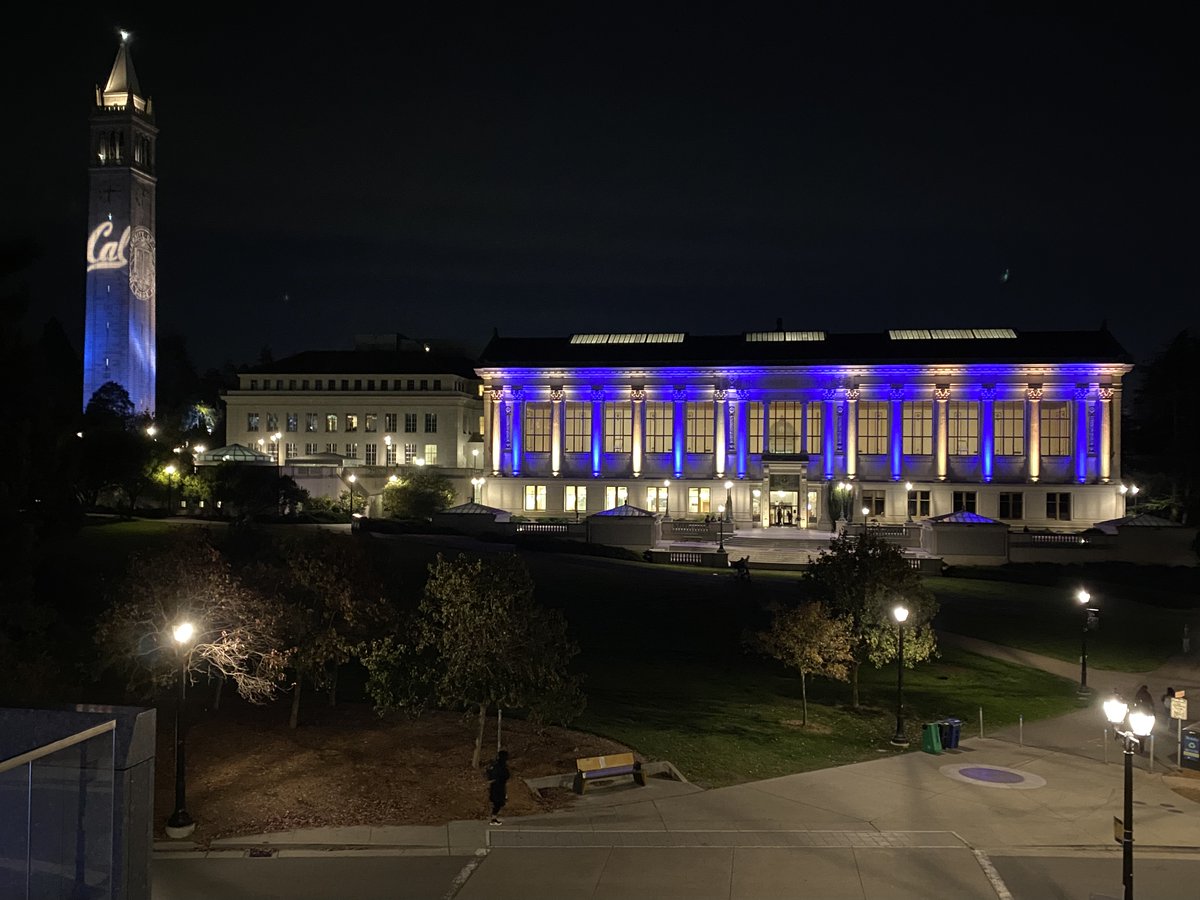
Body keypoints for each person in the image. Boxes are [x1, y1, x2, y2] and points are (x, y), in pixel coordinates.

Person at [485, 749, 510, 825]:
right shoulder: (501, 765)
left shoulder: (495, 765)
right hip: (498, 786)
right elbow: (505, 775)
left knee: (497, 802)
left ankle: (493, 817)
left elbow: (489, 773)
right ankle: (493, 818)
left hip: (495, 785)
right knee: (498, 802)